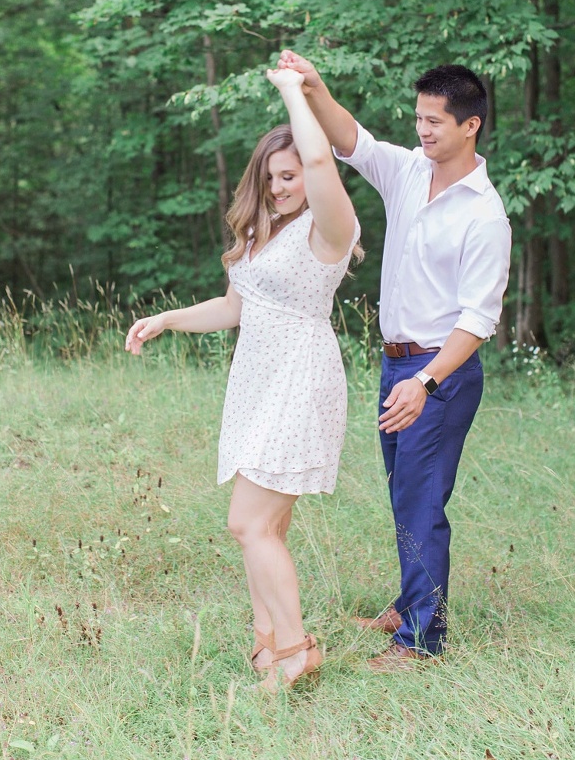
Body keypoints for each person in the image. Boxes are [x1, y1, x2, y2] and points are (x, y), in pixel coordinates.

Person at [125, 66, 361, 691]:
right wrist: (168, 319)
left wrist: (293, 89)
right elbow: (234, 308)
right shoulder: (262, 232)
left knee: (247, 523)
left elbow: (319, 158)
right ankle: (265, 641)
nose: (282, 187)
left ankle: (295, 649)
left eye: (291, 176)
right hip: (256, 380)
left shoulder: (329, 227)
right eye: (271, 177)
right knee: (267, 526)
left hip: (299, 376)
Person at [277, 50, 511, 669]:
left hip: (441, 372)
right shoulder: (409, 171)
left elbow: (478, 321)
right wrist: (316, 88)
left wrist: (427, 383)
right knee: (404, 492)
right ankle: (409, 606)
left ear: (470, 125)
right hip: (395, 365)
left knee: (422, 499)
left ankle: (421, 641)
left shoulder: (484, 215)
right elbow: (351, 140)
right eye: (418, 119)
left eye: (435, 121)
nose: (423, 130)